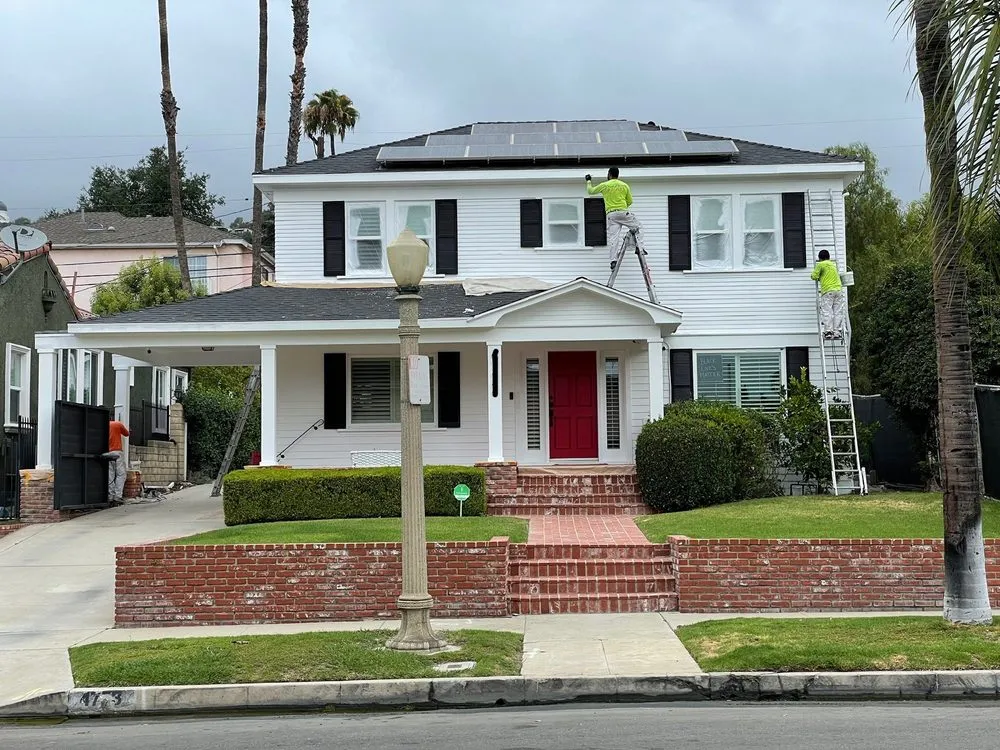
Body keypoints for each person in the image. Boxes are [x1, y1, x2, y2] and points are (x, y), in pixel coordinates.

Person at [585, 167, 647, 269]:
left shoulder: (605, 185)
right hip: (623, 212)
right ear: (618, 175)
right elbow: (630, 201)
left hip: (611, 215)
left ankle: (613, 261)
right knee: (638, 227)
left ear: (609, 174)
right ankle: (638, 247)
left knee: (614, 239)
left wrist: (588, 180)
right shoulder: (624, 185)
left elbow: (590, 191)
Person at [811, 249, 846, 339]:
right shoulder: (833, 265)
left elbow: (814, 276)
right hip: (838, 290)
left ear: (820, 258)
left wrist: (819, 277)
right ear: (829, 257)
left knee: (827, 311)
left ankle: (828, 331)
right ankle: (837, 331)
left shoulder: (821, 265)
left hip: (828, 291)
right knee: (837, 311)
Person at [105, 418, 130, 503]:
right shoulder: (117, 424)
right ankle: (117, 496)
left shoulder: (102, 426)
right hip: (117, 452)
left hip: (107, 453)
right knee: (121, 474)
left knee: (110, 475)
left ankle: (110, 496)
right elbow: (127, 434)